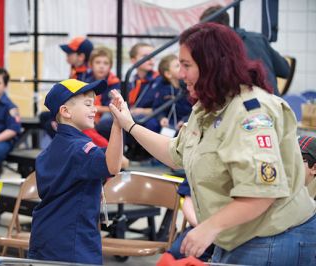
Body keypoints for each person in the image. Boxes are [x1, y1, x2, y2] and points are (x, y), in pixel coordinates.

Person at [109, 22, 316, 265]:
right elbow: (174, 153)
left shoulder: (251, 113)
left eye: (186, 65)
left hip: (272, 238)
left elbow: (262, 192)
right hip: (237, 236)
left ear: (212, 65)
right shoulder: (208, 107)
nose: (179, 73)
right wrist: (130, 125)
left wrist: (210, 227)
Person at [28, 79, 123, 265]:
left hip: (46, 235)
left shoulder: (51, 149)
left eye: (94, 103)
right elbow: (113, 166)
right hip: (72, 242)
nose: (94, 109)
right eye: (88, 104)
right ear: (65, 112)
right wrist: (118, 125)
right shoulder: (80, 148)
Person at [200, 5, 290, 95]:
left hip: (251, 105)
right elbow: (285, 70)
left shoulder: (217, 50)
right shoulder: (258, 39)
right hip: (275, 104)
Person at [168, 179, 214, 262]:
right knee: (178, 252)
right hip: (201, 224)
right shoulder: (197, 169)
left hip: (236, 230)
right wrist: (204, 228)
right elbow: (188, 203)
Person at [84, 46, 121, 139]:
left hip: (106, 115)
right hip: (90, 112)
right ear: (90, 65)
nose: (101, 66)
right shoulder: (85, 82)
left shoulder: (115, 83)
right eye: (97, 62)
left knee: (106, 121)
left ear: (110, 66)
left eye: (105, 63)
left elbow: (114, 108)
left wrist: (95, 109)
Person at [152, 54, 192, 137]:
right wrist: (162, 118)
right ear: (168, 74)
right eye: (177, 66)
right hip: (169, 125)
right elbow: (157, 107)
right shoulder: (163, 89)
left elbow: (195, 108)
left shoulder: (189, 87)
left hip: (187, 122)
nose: (182, 68)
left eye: (183, 65)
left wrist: (185, 120)